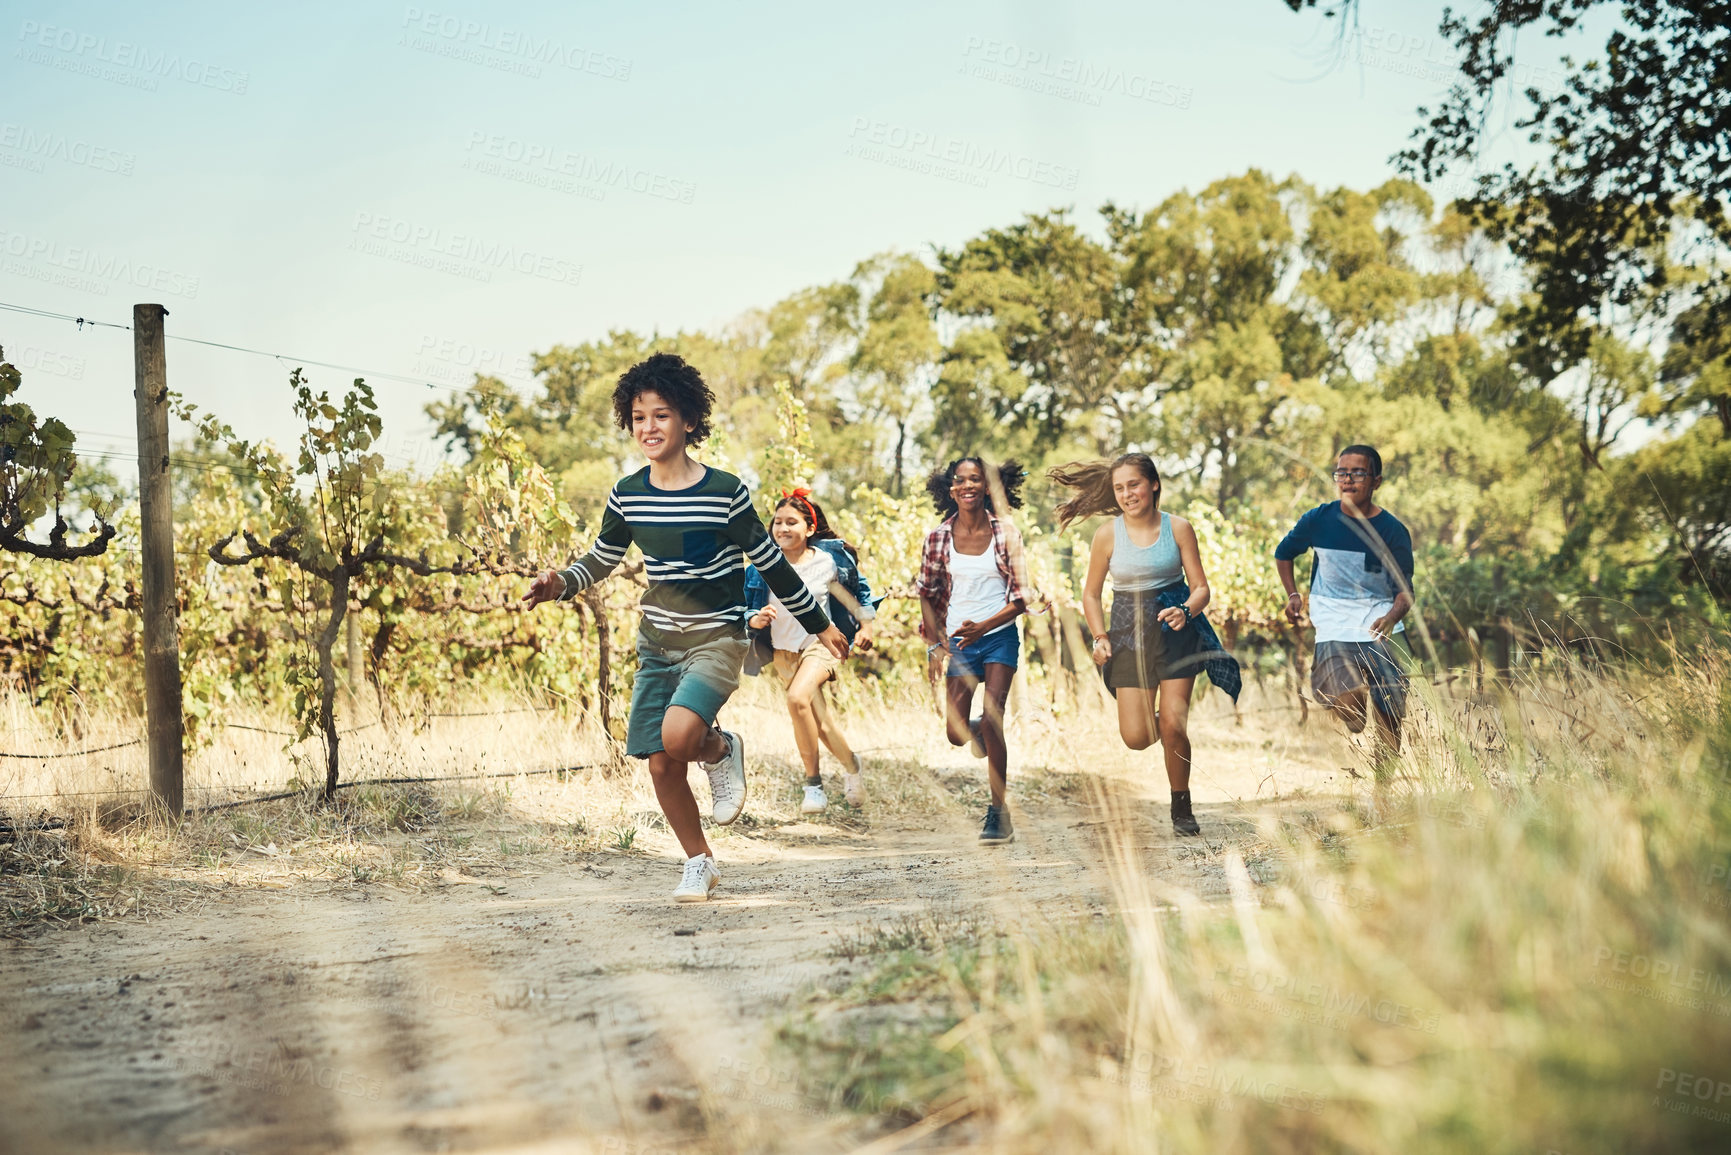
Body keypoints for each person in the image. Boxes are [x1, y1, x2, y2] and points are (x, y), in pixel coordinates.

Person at [524, 353, 849, 903]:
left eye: (662, 415)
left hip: (718, 638)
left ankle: (720, 749)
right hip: (658, 641)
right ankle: (700, 861)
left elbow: (769, 562)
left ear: (689, 421)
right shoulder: (628, 492)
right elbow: (601, 558)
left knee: (680, 738)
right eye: (639, 417)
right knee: (659, 763)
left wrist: (820, 626)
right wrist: (562, 583)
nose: (648, 427)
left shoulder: (725, 491)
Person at [1051, 453, 1241, 836]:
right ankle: (1171, 737)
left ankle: (1181, 804)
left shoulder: (1180, 528)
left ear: (1153, 484)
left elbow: (1201, 588)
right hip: (1126, 632)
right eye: (1119, 488)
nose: (1126, 494)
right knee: (1136, 737)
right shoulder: (1107, 534)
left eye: (1133, 485)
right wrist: (1100, 636)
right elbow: (1090, 595)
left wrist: (1186, 611)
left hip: (1175, 629)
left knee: (1172, 722)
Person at [915, 457, 1033, 845]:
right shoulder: (937, 538)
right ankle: (979, 731)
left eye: (976, 480)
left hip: (998, 636)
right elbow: (927, 595)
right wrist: (935, 644)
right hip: (961, 644)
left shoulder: (1006, 534)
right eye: (960, 481)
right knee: (955, 732)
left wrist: (984, 625)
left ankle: (999, 814)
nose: (968, 486)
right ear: (951, 490)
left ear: (987, 487)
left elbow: (1022, 598)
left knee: (994, 717)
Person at [1274, 444, 1415, 769]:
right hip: (1335, 626)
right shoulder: (1319, 520)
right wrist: (1293, 594)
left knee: (1391, 717)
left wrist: (1391, 617)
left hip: (1382, 628)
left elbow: (1406, 592)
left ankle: (1384, 788)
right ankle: (1359, 692)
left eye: (1358, 473)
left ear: (1376, 481)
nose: (1347, 479)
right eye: (1341, 472)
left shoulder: (1393, 531)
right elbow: (1284, 553)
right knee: (1352, 716)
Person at [743, 488, 878, 814]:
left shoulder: (829, 562)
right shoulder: (761, 568)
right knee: (820, 723)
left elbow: (860, 593)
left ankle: (813, 785)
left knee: (796, 699)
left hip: (823, 645)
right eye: (777, 523)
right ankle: (852, 765)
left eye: (792, 522)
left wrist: (867, 626)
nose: (783, 529)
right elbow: (743, 609)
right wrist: (756, 619)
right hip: (783, 652)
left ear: (809, 529)